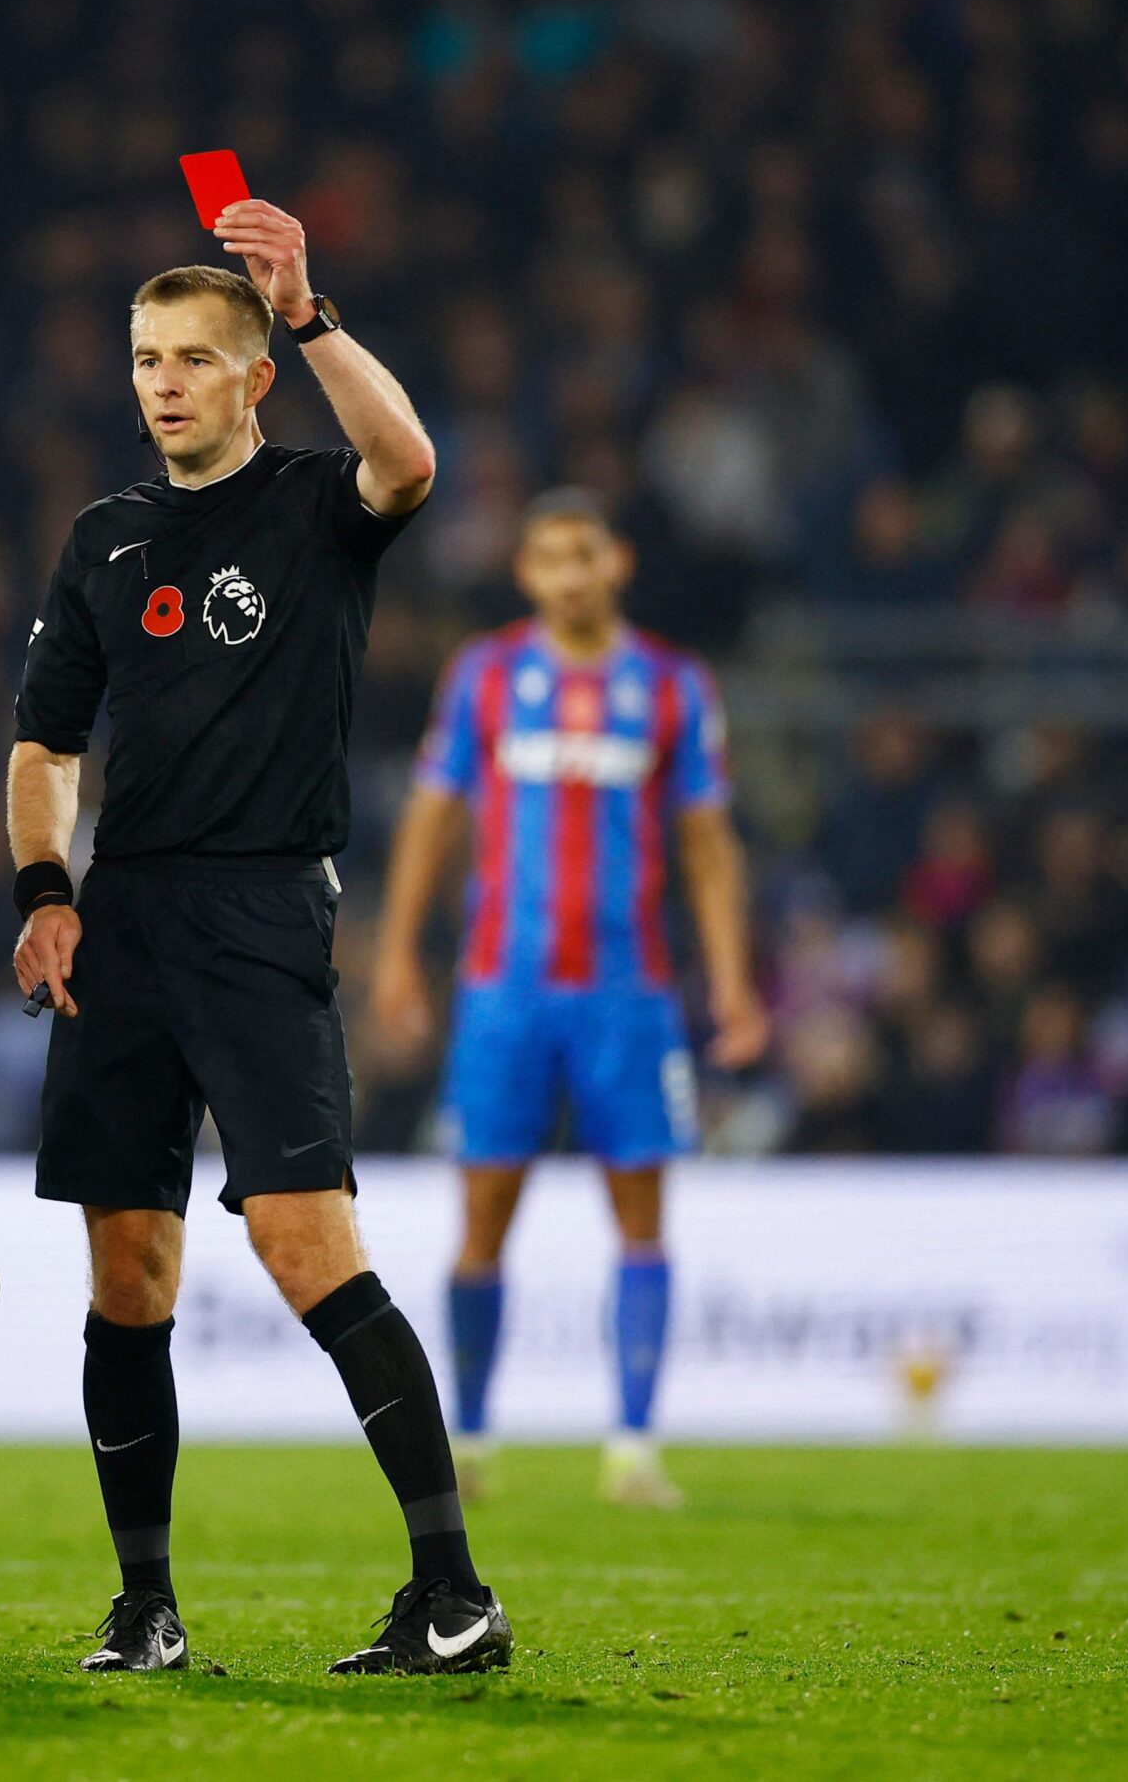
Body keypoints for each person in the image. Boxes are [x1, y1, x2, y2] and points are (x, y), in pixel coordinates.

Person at [7, 201, 508, 1676]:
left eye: (191, 359)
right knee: (126, 1276)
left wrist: (304, 304)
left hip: (262, 907)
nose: (162, 382)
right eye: (145, 358)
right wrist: (45, 885)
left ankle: (451, 1593)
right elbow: (44, 740)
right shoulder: (103, 539)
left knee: (304, 1241)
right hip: (125, 921)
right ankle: (145, 1607)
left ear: (250, 377)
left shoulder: (314, 505)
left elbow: (412, 462)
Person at [373, 489, 768, 1507]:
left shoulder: (673, 686)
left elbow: (707, 845)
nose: (571, 574)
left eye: (585, 555)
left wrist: (728, 979)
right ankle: (467, 1440)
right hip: (503, 989)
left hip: (628, 994)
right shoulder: (487, 676)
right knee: (482, 1217)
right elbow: (431, 815)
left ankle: (632, 1448)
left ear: (617, 562)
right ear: (526, 574)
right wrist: (398, 954)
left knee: (640, 1214)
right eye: (551, 558)